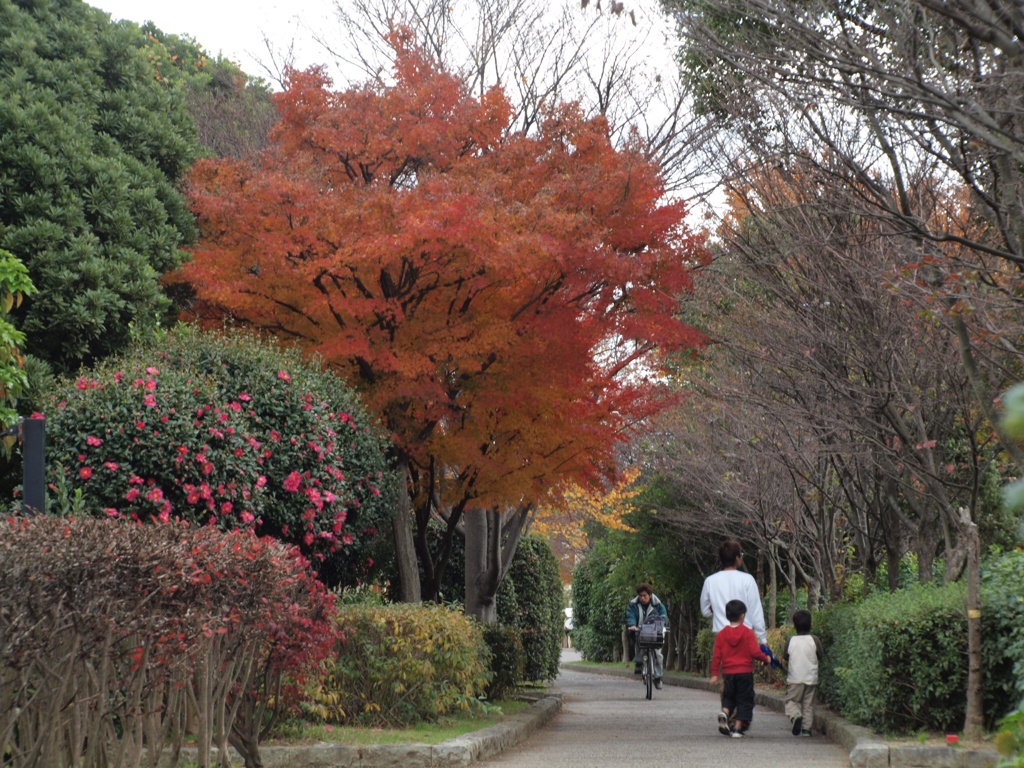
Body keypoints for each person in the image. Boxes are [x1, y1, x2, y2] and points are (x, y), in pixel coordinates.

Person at [709, 599, 771, 738]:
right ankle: (737, 729)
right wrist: (766, 659)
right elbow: (755, 652)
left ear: (727, 615)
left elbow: (717, 656)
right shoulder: (747, 633)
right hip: (745, 673)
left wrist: (714, 674)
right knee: (744, 700)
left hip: (728, 674)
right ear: (743, 616)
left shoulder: (722, 634)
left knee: (728, 697)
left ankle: (724, 712)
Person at [700, 539, 768, 645]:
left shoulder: (710, 581)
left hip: (722, 637)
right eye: (741, 554)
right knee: (745, 662)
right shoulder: (747, 579)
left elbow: (705, 611)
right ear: (737, 558)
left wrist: (717, 610)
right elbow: (756, 611)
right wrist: (762, 639)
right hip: (745, 636)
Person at [782, 609, 823, 737]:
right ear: (811, 625)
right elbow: (820, 655)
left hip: (795, 678)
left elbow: (785, 656)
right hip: (811, 678)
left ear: (794, 626)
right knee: (808, 704)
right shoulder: (815, 640)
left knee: (791, 701)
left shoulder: (791, 640)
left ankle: (795, 715)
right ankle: (806, 730)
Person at [625, 583, 668, 689]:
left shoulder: (658, 604)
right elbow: (630, 615)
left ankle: (657, 678)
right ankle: (639, 663)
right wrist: (632, 625)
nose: (642, 598)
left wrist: (662, 624)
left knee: (658, 655)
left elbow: (663, 616)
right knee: (638, 644)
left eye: (645, 595)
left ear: (650, 595)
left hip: (655, 633)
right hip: (640, 631)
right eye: (640, 596)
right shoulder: (633, 605)